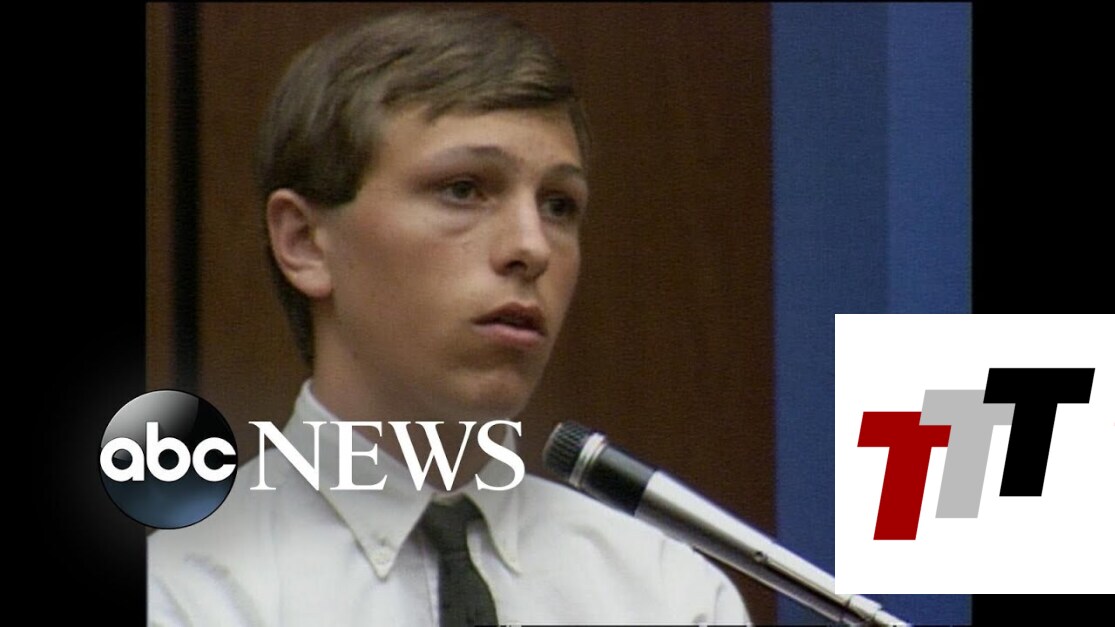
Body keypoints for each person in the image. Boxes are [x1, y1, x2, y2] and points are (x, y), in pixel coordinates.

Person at [147, 8, 748, 625]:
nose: (532, 246)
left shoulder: (670, 594)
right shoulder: (187, 593)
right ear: (305, 243)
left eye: (559, 205)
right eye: (463, 189)